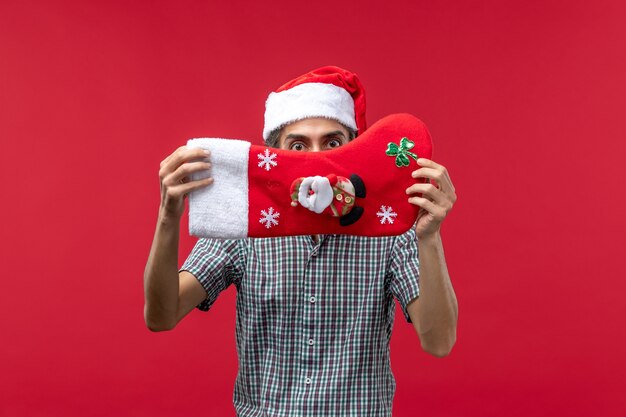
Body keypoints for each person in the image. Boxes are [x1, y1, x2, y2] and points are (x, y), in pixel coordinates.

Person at [144, 66, 458, 416]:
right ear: (274, 155)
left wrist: (429, 237)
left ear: (355, 149)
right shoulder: (247, 228)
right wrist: (167, 218)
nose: (316, 159)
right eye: (298, 145)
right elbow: (162, 315)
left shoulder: (388, 231)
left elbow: (439, 341)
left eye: (333, 143)